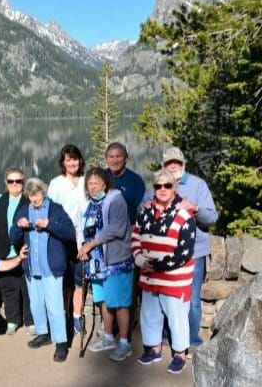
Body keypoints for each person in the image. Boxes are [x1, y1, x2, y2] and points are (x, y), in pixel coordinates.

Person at [141, 146, 218, 354]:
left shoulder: (197, 185)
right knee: (163, 296)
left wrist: (196, 208)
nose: (172, 166)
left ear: (183, 164)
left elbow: (212, 217)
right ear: (163, 165)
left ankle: (192, 341)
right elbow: (140, 214)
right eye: (168, 163)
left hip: (193, 254)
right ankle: (167, 338)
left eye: (176, 162)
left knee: (191, 300)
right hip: (162, 255)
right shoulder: (155, 186)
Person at [132, 170, 196, 375]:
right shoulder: (144, 212)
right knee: (149, 314)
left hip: (173, 278)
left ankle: (179, 354)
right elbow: (135, 238)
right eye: (158, 185)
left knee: (177, 317)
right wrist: (140, 260)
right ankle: (154, 349)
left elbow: (184, 251)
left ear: (174, 188)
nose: (162, 189)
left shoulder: (184, 214)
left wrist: (157, 265)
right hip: (149, 274)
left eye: (167, 185)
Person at [10, 178, 75, 362]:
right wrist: (18, 226)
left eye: (36, 194)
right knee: (36, 303)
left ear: (43, 192)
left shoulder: (55, 209)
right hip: (32, 266)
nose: (34, 198)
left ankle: (61, 342)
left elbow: (69, 233)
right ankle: (43, 333)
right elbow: (13, 237)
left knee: (55, 306)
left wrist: (49, 225)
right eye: (30, 195)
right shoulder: (24, 210)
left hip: (51, 266)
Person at [77, 167, 135, 362]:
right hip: (97, 261)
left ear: (105, 183)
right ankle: (109, 336)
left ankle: (125, 343)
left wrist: (90, 244)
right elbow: (82, 227)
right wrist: (83, 249)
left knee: (120, 303)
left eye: (96, 183)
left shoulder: (116, 200)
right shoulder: (89, 203)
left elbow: (116, 230)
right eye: (90, 183)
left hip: (116, 259)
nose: (93, 187)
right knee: (104, 300)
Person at [47, 144, 87, 334]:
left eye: (75, 158)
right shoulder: (56, 183)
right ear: (63, 162)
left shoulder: (87, 181)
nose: (72, 163)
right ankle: (65, 314)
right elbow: (50, 210)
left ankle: (77, 316)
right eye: (68, 159)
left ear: (80, 160)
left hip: (83, 240)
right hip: (62, 240)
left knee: (80, 280)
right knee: (64, 280)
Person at [0, 167, 33, 335]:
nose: (14, 184)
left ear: (23, 182)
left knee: (28, 288)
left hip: (25, 251)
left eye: (18, 181)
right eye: (11, 181)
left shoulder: (29, 200)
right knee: (8, 288)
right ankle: (12, 320)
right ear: (6, 183)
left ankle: (31, 321)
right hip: (3, 253)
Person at [105, 142, 145, 224]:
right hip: (103, 230)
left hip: (128, 230)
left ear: (125, 159)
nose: (114, 160)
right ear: (106, 159)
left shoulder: (135, 181)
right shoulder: (100, 178)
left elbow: (142, 209)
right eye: (111, 157)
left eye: (118, 157)